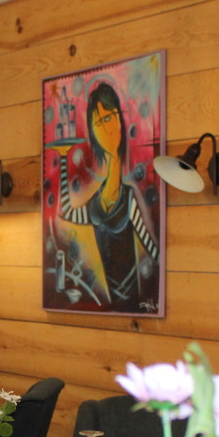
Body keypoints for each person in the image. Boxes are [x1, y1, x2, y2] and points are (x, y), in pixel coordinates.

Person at [59, 82, 159, 313]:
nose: (106, 128)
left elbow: (153, 250)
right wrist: (63, 159)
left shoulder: (129, 198)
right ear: (93, 131)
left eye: (109, 117)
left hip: (135, 307)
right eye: (98, 123)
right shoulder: (95, 203)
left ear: (120, 120)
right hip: (113, 309)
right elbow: (67, 212)